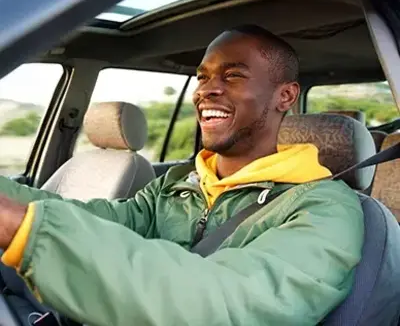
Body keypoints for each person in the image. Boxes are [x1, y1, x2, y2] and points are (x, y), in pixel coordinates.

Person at [0, 25, 363, 326]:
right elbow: (103, 219)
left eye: (233, 75)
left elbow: (228, 303)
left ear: (285, 96)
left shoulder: (325, 208)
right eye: (202, 77)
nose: (207, 90)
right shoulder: (177, 183)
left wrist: (27, 231)